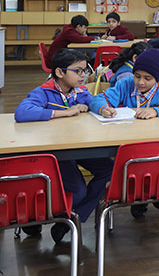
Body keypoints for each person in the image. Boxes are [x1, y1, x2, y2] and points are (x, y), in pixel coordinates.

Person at [14, 48, 114, 243]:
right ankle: (37, 216)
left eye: (85, 70)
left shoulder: (80, 91)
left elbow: (93, 101)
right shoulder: (44, 92)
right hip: (55, 152)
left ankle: (70, 218)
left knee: (109, 170)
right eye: (78, 71)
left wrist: (100, 108)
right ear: (60, 72)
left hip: (79, 147)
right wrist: (64, 113)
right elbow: (22, 112)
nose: (83, 75)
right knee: (78, 191)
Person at [90, 48, 159, 218]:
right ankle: (139, 199)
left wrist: (157, 110)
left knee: (155, 164)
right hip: (129, 142)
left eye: (147, 78)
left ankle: (158, 193)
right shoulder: (125, 84)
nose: (140, 82)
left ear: (157, 78)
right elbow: (97, 99)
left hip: (156, 142)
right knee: (134, 165)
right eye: (137, 76)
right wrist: (103, 108)